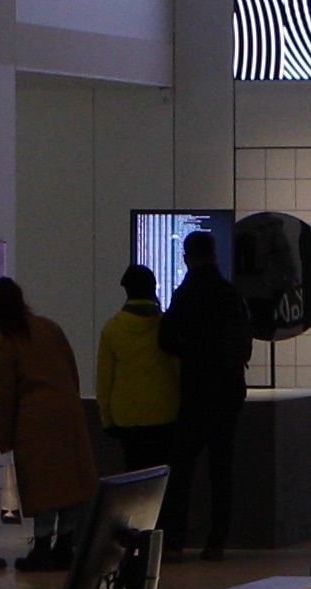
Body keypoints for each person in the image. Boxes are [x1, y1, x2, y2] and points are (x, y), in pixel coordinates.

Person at [158, 229, 255, 559]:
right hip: (230, 389)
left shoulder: (187, 293)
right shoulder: (231, 293)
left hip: (197, 389)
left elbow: (166, 339)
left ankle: (175, 540)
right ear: (214, 254)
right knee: (221, 467)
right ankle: (217, 542)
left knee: (182, 467)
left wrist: (191, 352)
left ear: (187, 258)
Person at [0, 278, 99, 570]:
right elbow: (71, 371)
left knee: (42, 484)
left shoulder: (5, 339)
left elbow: (4, 392)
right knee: (70, 481)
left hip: (33, 418)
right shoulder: (49, 327)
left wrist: (3, 435)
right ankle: (65, 543)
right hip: (68, 412)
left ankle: (41, 547)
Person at [97, 262, 183, 475]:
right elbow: (179, 371)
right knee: (161, 477)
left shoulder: (112, 329)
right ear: (153, 288)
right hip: (164, 414)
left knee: (135, 475)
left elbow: (104, 379)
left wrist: (107, 419)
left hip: (126, 418)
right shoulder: (165, 326)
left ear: (126, 290)